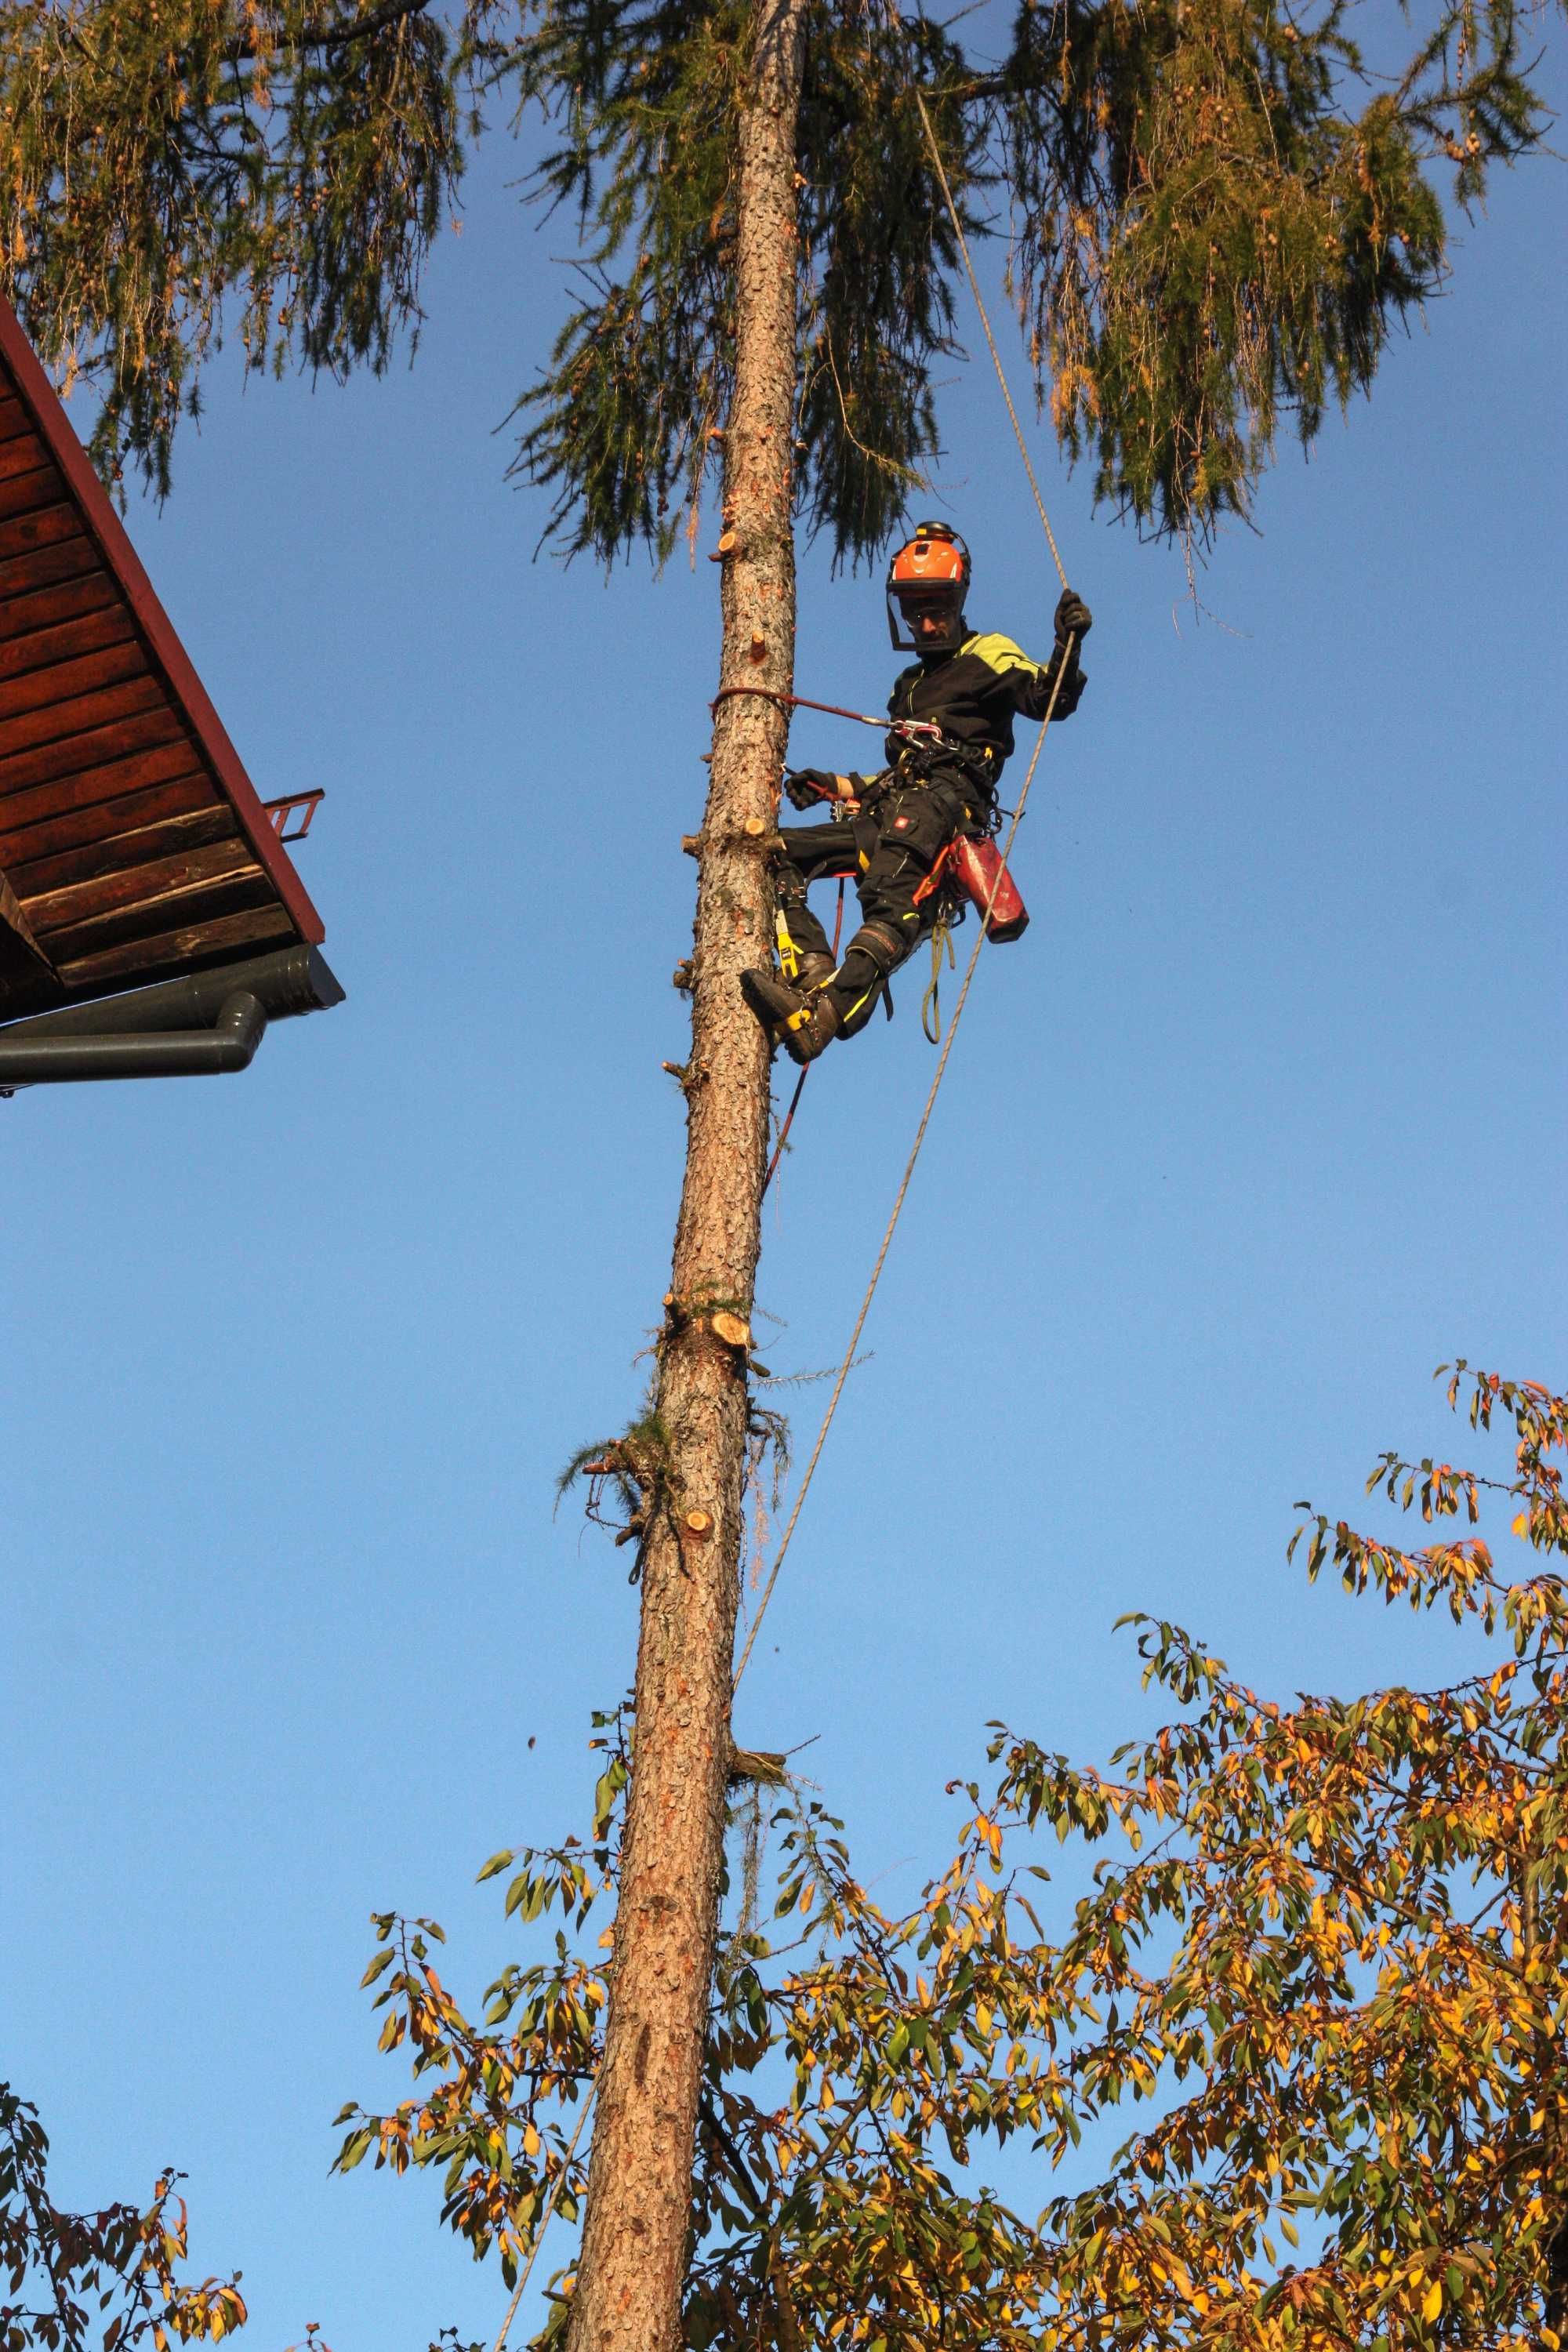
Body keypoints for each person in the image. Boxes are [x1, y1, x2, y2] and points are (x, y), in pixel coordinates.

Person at [739, 521, 1092, 1065]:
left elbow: (1049, 698)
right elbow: (899, 769)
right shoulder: (907, 686)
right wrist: (835, 785)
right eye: (914, 610)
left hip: (947, 805)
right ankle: (811, 975)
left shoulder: (988, 653)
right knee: (775, 853)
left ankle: (823, 1017)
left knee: (891, 898)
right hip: (892, 805)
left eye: (938, 609)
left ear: (959, 602)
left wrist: (1067, 643)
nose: (926, 622)